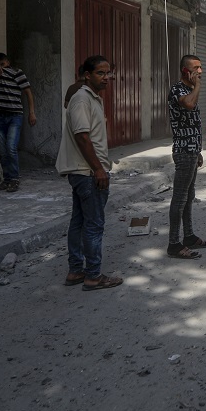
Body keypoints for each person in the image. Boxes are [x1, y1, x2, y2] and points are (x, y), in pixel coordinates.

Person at [55, 55, 123, 291]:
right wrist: (98, 169)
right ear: (87, 75)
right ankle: (93, 275)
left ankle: (76, 270)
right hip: (87, 172)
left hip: (85, 171)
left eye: (108, 73)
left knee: (79, 221)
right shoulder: (82, 99)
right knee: (94, 224)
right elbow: (82, 137)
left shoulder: (92, 98)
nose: (106, 78)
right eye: (100, 73)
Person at [166, 55, 206, 260]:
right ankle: (174, 244)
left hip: (191, 151)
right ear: (185, 70)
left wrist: (198, 151)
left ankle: (189, 236)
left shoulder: (189, 89)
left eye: (201, 67)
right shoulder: (178, 90)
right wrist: (197, 86)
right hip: (183, 152)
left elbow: (192, 123)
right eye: (195, 68)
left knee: (188, 197)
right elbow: (189, 105)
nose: (200, 71)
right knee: (180, 198)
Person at [0, 52, 36, 193]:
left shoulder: (17, 73)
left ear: (8, 62)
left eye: (2, 64)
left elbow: (28, 92)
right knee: (2, 151)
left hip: (14, 116)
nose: (0, 67)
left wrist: (31, 112)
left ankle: (14, 179)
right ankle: (7, 179)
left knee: (11, 147)